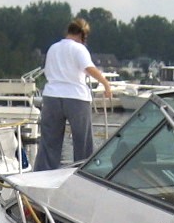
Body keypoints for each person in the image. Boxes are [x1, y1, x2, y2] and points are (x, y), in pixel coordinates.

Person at [32, 18, 113, 172]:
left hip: (52, 96)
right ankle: (83, 172)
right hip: (76, 97)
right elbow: (89, 68)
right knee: (82, 141)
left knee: (49, 141)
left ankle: (43, 173)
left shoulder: (53, 48)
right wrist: (105, 83)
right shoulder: (79, 49)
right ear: (83, 35)